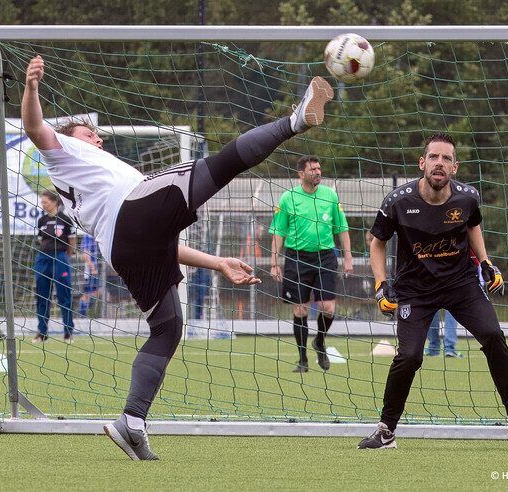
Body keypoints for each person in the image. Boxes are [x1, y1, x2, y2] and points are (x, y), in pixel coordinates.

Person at [22, 55, 334, 459]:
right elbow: (33, 126)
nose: (98, 140)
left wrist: (218, 262)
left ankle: (131, 422)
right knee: (220, 166)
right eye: (89, 134)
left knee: (168, 327)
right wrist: (31, 88)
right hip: (131, 214)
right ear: (69, 138)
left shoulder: (93, 187)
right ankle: (296, 120)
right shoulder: (62, 152)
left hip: (123, 248)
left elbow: (162, 242)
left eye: (98, 136)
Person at [359, 132, 508, 449]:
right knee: (409, 356)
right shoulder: (398, 201)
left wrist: (486, 263)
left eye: (446, 158)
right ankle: (385, 430)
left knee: (493, 335)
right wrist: (380, 286)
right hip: (415, 291)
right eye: (434, 157)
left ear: (454, 167)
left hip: (461, 285)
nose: (439, 163)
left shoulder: (467, 198)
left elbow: (472, 226)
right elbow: (376, 242)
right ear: (423, 163)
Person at [269, 156, 353, 373]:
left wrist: (348, 257)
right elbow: (279, 231)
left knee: (328, 307)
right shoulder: (288, 198)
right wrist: (274, 263)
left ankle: (320, 341)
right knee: (300, 310)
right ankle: (303, 359)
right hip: (297, 258)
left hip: (325, 256)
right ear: (301, 174)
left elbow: (341, 227)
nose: (317, 172)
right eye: (312, 169)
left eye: (319, 168)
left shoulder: (330, 195)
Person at [33, 189, 76, 343]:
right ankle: (42, 333)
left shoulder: (65, 219)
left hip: (60, 258)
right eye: (42, 202)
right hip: (43, 258)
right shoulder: (41, 220)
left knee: (64, 296)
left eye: (45, 202)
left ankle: (68, 333)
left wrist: (65, 257)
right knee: (42, 296)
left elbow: (72, 242)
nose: (43, 205)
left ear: (54, 202)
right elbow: (40, 240)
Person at [78, 233, 101, 317]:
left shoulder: (96, 235)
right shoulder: (88, 236)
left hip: (96, 270)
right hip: (89, 271)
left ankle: (84, 313)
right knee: (87, 294)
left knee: (96, 292)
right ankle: (81, 315)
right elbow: (85, 254)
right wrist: (92, 268)